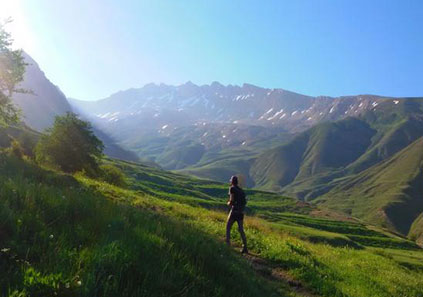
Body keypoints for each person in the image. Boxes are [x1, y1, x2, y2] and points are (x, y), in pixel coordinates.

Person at [226, 175, 248, 254]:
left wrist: (228, 203)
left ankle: (227, 245)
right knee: (241, 230)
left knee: (228, 227)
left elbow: (231, 201)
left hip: (234, 211)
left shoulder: (232, 188)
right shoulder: (241, 191)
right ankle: (245, 247)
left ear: (232, 182)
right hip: (241, 212)